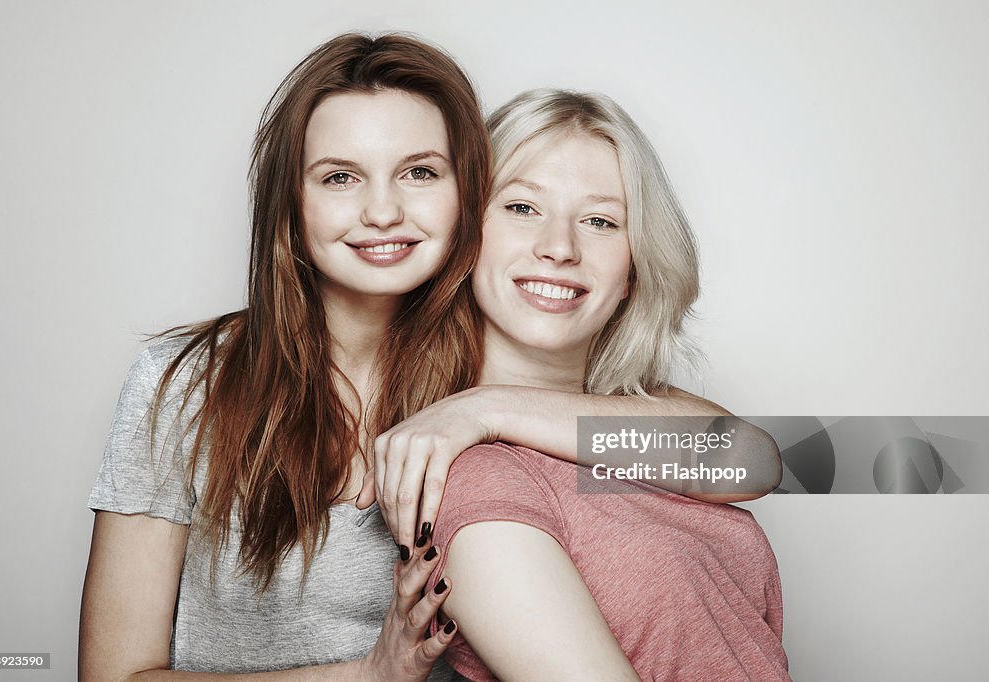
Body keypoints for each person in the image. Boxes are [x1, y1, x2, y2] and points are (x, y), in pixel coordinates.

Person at [79, 33, 490, 679]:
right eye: (339, 177)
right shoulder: (183, 384)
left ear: (466, 190)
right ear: (290, 205)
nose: (382, 210)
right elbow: (113, 674)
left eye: (420, 171)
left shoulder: (507, 373)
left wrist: (499, 404)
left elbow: (711, 461)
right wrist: (366, 675)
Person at [419, 90, 792, 681]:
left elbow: (755, 463)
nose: (560, 248)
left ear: (632, 270)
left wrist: (489, 405)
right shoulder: (476, 476)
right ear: (465, 236)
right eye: (521, 207)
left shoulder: (631, 419)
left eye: (600, 221)